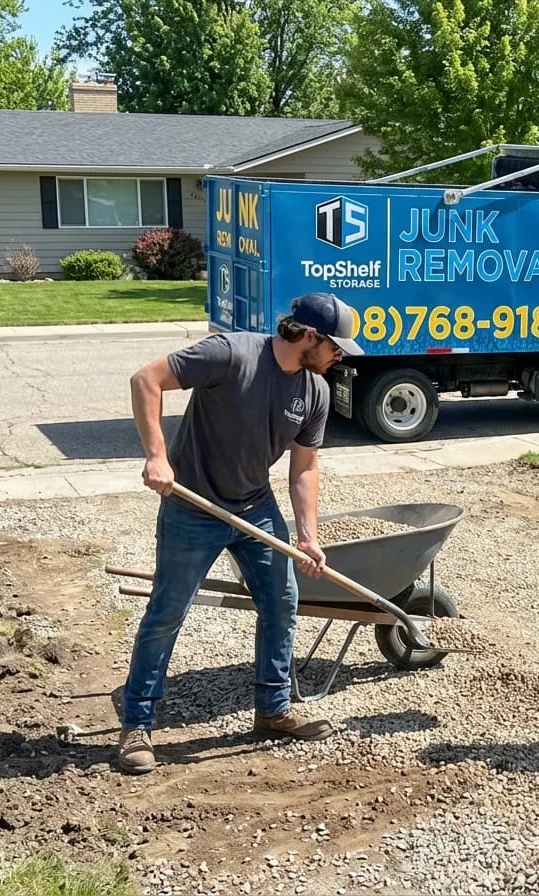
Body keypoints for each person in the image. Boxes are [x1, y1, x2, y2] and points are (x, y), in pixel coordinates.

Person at [117, 291, 364, 775]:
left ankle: (273, 710)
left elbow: (304, 469)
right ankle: (137, 724)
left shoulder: (315, 392)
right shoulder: (231, 355)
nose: (340, 357)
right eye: (336, 347)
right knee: (168, 610)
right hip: (193, 503)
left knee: (282, 599)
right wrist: (156, 455)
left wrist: (307, 535)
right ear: (310, 336)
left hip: (255, 506)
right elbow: (146, 379)